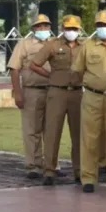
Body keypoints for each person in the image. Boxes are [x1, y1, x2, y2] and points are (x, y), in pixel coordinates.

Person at [72, 10, 106, 192]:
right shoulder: (88, 46)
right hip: (92, 96)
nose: (102, 28)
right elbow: (78, 70)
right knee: (89, 137)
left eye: (105, 25)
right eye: (99, 25)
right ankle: (88, 178)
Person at [31, 15, 83, 185]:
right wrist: (50, 75)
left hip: (78, 92)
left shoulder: (85, 47)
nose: (71, 32)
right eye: (68, 29)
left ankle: (80, 170)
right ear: (62, 29)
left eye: (74, 29)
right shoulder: (53, 45)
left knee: (79, 133)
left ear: (80, 30)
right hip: (57, 91)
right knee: (53, 131)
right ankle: (49, 171)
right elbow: (34, 64)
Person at [7, 14, 52, 179]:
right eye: (39, 26)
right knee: (32, 129)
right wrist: (17, 92)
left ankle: (51, 164)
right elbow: (14, 68)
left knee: (51, 130)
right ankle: (33, 165)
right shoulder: (25, 44)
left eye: (46, 26)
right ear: (33, 29)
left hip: (52, 90)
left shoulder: (55, 44)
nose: (43, 29)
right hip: (32, 90)